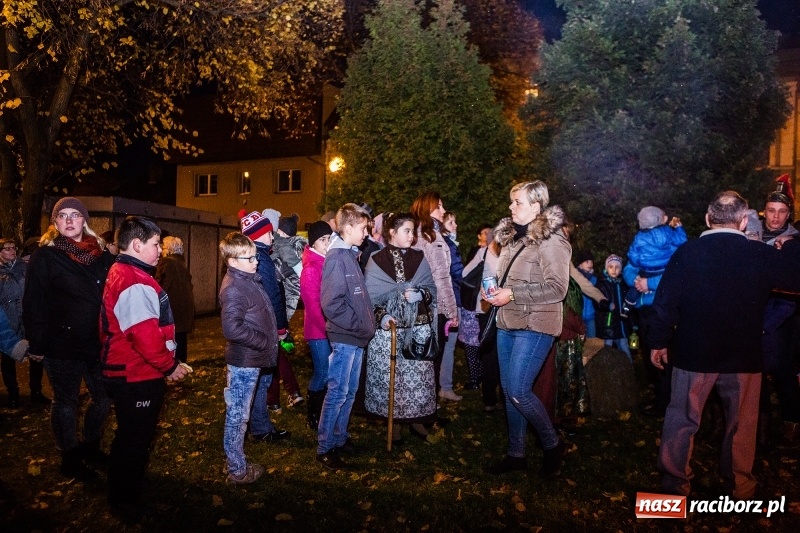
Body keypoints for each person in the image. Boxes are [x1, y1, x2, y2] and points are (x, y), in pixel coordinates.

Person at [649, 190, 800, 500]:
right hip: (743, 355)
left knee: (681, 420)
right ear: (744, 221)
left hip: (694, 353)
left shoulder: (687, 253)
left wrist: (658, 341)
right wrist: (792, 248)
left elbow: (665, 302)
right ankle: (739, 488)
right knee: (741, 425)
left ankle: (674, 489)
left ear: (708, 218)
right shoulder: (759, 253)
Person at [99, 216, 189, 522]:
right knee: (134, 438)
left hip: (133, 371)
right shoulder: (133, 281)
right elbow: (143, 335)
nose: (159, 251)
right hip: (137, 374)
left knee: (131, 436)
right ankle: (125, 501)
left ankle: (125, 490)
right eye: (154, 244)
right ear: (136, 244)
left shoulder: (129, 273)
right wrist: (169, 365)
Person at [23, 197, 115, 479]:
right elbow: (33, 302)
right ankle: (69, 456)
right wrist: (36, 344)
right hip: (60, 344)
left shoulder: (100, 254)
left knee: (104, 398)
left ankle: (90, 444)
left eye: (75, 215)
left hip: (97, 341)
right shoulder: (46, 256)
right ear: (55, 222)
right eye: (63, 216)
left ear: (84, 220)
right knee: (66, 401)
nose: (69, 220)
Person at [484, 181, 570, 479]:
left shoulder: (552, 241)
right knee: (510, 391)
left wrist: (513, 294)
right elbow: (509, 279)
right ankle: (516, 454)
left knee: (519, 389)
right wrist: (496, 292)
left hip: (536, 324)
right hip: (508, 322)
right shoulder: (513, 239)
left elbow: (557, 288)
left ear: (536, 206)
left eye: (517, 202)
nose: (511, 207)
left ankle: (552, 445)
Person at [364, 213, 438, 443]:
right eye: (407, 230)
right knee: (392, 377)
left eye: (413, 231)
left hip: (417, 328)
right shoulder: (376, 260)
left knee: (416, 376)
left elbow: (431, 289)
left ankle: (416, 419)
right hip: (390, 331)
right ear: (392, 232)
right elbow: (370, 297)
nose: (412, 235)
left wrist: (420, 295)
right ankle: (392, 421)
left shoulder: (419, 257)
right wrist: (382, 314)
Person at [218, 232, 284, 486]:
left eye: (255, 256)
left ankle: (237, 463)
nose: (256, 261)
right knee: (237, 416)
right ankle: (237, 469)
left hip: (252, 359)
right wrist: (264, 341)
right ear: (233, 261)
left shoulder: (247, 279)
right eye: (249, 258)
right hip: (244, 362)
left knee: (240, 413)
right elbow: (232, 328)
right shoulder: (234, 288)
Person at [317, 203, 375, 469]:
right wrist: (357, 325)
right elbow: (332, 304)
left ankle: (340, 437)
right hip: (345, 337)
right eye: (363, 228)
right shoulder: (337, 258)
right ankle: (325, 447)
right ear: (348, 227)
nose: (366, 233)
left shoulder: (350, 255)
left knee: (349, 391)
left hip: (355, 337)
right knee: (338, 392)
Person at [623, 206, 686, 418]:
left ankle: (666, 402)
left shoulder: (647, 241)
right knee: (651, 354)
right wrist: (635, 280)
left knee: (663, 356)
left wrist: (649, 283)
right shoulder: (670, 236)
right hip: (644, 308)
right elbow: (629, 267)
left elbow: (677, 274)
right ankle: (661, 397)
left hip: (663, 307)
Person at [235, 210, 292, 443]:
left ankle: (257, 425)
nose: (272, 236)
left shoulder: (253, 257)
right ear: (260, 234)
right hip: (264, 327)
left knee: (259, 378)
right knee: (262, 379)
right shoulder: (262, 260)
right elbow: (272, 297)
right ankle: (260, 428)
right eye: (269, 232)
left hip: (255, 326)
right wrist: (281, 328)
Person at [410, 192, 458, 406]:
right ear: (427, 209)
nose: (443, 210)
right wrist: (452, 311)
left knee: (422, 359)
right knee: (432, 359)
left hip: (418, 305)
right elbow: (441, 276)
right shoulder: (430, 237)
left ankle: (423, 406)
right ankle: (427, 408)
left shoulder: (414, 233)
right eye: (438, 206)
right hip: (433, 308)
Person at [260, 208, 305, 410]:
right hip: (283, 307)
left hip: (276, 307)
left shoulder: (280, 248)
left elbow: (276, 281)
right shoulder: (289, 249)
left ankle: (278, 398)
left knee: (273, 353)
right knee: (276, 351)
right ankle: (286, 395)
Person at [1, 237, 47, 407]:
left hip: (27, 317)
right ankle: (13, 393)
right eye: (7, 248)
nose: (11, 251)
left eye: (13, 248)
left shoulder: (24, 268)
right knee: (8, 358)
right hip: (7, 319)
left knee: (35, 354)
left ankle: (36, 390)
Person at [299, 221, 334, 431]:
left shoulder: (326, 261)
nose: (327, 243)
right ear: (313, 243)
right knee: (322, 371)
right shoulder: (311, 268)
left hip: (328, 329)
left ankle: (322, 411)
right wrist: (328, 330)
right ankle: (313, 413)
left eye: (330, 239)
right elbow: (313, 306)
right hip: (318, 332)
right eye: (323, 240)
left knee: (327, 372)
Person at [623, 206, 687, 314]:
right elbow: (682, 240)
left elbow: (632, 256)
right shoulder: (668, 233)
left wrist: (646, 282)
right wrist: (634, 280)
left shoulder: (639, 237)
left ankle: (627, 306)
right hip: (646, 302)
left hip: (662, 301)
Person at [156, 236, 195, 363]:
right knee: (181, 340)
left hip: (172, 309)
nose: (161, 250)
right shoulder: (181, 264)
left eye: (164, 247)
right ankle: (182, 364)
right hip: (184, 309)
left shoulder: (166, 262)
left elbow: (161, 286)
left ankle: (173, 366)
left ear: (170, 250)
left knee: (171, 341)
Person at [439, 211, 463, 401]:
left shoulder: (446, 243)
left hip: (447, 300)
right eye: (450, 222)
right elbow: (457, 272)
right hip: (451, 301)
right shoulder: (447, 245)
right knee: (448, 346)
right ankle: (444, 387)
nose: (455, 226)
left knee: (446, 346)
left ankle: (443, 386)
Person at [594, 255, 631, 360]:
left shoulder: (623, 284)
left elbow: (629, 304)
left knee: (625, 351)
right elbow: (597, 302)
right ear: (606, 268)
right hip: (608, 325)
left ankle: (629, 373)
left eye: (617, 267)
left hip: (621, 325)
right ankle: (606, 374)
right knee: (607, 352)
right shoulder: (601, 284)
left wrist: (632, 324)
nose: (614, 270)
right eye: (611, 267)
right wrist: (607, 305)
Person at [573, 250, 597, 338]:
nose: (590, 264)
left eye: (591, 261)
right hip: (578, 316)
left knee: (592, 340)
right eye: (587, 261)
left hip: (591, 316)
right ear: (580, 264)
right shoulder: (575, 278)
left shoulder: (594, 279)